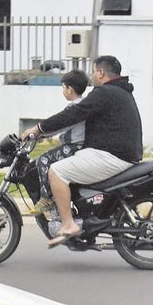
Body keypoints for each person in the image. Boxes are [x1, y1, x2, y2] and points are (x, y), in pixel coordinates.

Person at [22, 55, 143, 248]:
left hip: (110, 155)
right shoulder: (120, 92)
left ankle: (68, 223)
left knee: (56, 171)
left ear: (101, 72)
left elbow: (73, 114)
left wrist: (38, 129)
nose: (92, 76)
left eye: (94, 71)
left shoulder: (104, 92)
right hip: (117, 153)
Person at [34, 69, 89, 214]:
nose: (63, 90)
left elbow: (61, 125)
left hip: (74, 147)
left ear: (70, 89)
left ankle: (46, 197)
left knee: (43, 160)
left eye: (63, 87)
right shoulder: (84, 103)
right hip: (81, 146)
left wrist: (39, 134)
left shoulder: (73, 106)